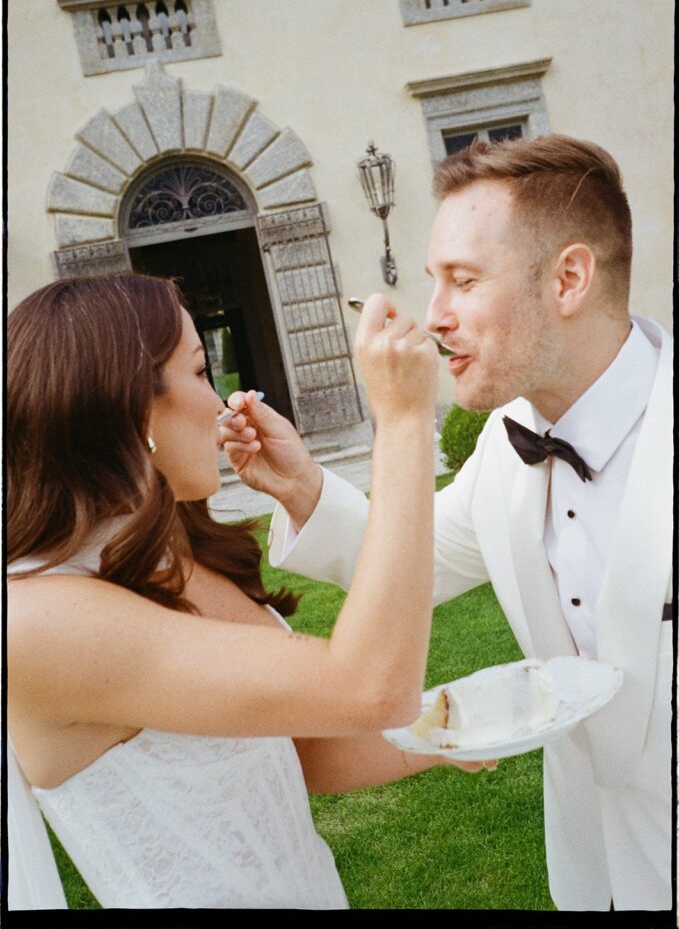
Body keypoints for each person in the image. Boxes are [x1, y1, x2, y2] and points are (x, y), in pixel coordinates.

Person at [222, 134, 673, 912]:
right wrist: (303, 487)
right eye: (433, 283)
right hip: (590, 864)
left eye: (461, 282)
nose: (432, 319)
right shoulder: (505, 444)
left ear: (567, 278)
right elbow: (410, 562)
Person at [7, 274, 486, 911]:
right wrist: (401, 421)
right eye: (202, 372)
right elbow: (370, 687)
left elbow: (302, 749)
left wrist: (455, 734)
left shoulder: (159, 550)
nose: (223, 402)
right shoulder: (36, 620)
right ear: (133, 405)